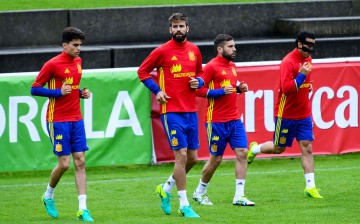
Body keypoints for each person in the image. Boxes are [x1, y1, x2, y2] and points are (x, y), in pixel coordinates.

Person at [137, 12, 204, 218]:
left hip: (190, 110)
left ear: (187, 28)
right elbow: (142, 71)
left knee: (192, 158)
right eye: (175, 27)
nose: (178, 30)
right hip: (171, 110)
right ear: (170, 30)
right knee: (181, 155)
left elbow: (201, 73)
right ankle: (184, 205)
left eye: (181, 26)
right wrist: (157, 91)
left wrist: (199, 82)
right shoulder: (162, 51)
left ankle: (165, 189)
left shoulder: (194, 50)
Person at [247, 31, 323, 199]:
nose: (311, 48)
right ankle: (254, 149)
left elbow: (304, 82)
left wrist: (307, 84)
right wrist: (302, 76)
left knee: (307, 148)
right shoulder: (288, 62)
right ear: (299, 44)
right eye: (308, 45)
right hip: (286, 114)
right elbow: (287, 89)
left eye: (313, 45)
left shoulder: (308, 59)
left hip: (304, 113)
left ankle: (310, 187)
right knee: (278, 148)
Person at [31, 27, 94, 222]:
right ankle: (48, 195)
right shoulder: (52, 64)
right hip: (57, 119)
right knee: (64, 164)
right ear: (64, 45)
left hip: (76, 118)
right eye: (75, 45)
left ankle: (83, 209)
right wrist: (59, 92)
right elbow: (35, 89)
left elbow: (71, 89)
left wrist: (79, 94)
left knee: (80, 161)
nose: (79, 48)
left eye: (80, 45)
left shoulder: (78, 62)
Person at [193, 34, 255, 207]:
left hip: (234, 119)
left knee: (243, 153)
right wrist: (221, 92)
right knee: (216, 159)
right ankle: (199, 191)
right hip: (216, 121)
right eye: (230, 46)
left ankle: (239, 196)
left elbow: (228, 88)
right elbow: (199, 90)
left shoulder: (232, 66)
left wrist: (238, 89)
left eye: (234, 46)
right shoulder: (211, 67)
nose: (234, 49)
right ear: (220, 49)